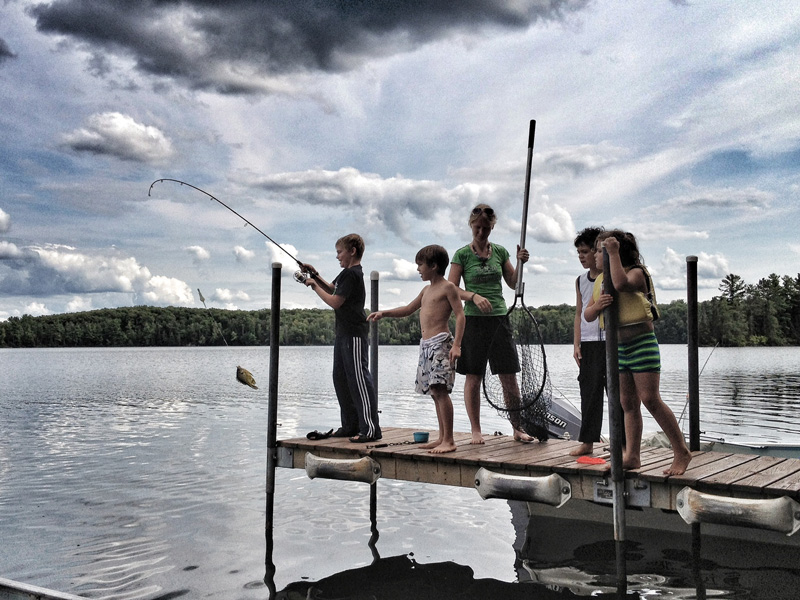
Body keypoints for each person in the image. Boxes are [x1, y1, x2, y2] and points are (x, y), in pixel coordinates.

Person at [584, 230, 691, 476]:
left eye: (599, 251)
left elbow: (622, 284)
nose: (595, 256)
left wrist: (611, 252)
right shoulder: (601, 281)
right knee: (627, 403)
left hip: (642, 344)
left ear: (615, 252)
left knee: (650, 399)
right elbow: (588, 315)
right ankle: (632, 455)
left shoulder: (636, 273)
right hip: (617, 349)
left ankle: (681, 451)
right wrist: (597, 306)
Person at [447, 203, 534, 444]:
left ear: (492, 227)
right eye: (477, 227)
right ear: (471, 226)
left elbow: (514, 283)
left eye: (486, 228)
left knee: (509, 376)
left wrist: (519, 263)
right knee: (473, 376)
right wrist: (473, 296)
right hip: (473, 321)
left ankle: (517, 428)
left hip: (499, 318)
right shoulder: (462, 254)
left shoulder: (500, 252)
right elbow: (450, 288)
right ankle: (476, 430)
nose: (481, 232)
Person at [367, 245, 465, 454]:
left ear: (434, 266)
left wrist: (456, 345)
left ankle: (449, 440)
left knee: (441, 390)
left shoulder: (448, 288)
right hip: (426, 346)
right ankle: (441, 438)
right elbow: (408, 309)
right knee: (434, 392)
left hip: (441, 344)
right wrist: (383, 313)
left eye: (420, 265)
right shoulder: (426, 290)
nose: (418, 269)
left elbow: (460, 315)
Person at [300, 234, 381, 443]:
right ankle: (350, 425)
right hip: (343, 334)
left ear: (352, 251)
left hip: (354, 334)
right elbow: (332, 289)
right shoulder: (345, 274)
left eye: (339, 252)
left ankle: (370, 429)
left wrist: (313, 286)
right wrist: (315, 275)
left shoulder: (353, 274)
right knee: (341, 379)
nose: (337, 257)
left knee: (359, 379)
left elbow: (335, 301)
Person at [570, 227, 607, 456]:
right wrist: (576, 344)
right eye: (578, 253)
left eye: (585, 251)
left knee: (617, 393)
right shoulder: (580, 280)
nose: (582, 256)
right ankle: (587, 441)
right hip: (588, 343)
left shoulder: (608, 278)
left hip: (609, 341)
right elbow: (578, 312)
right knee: (589, 392)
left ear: (596, 251)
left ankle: (621, 443)